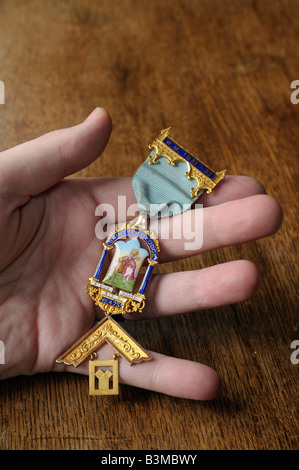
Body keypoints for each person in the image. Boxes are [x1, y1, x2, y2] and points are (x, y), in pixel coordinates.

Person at [0, 107, 283, 400]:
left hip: (120, 288)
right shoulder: (125, 238)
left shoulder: (137, 244)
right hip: (112, 287)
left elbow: (133, 266)